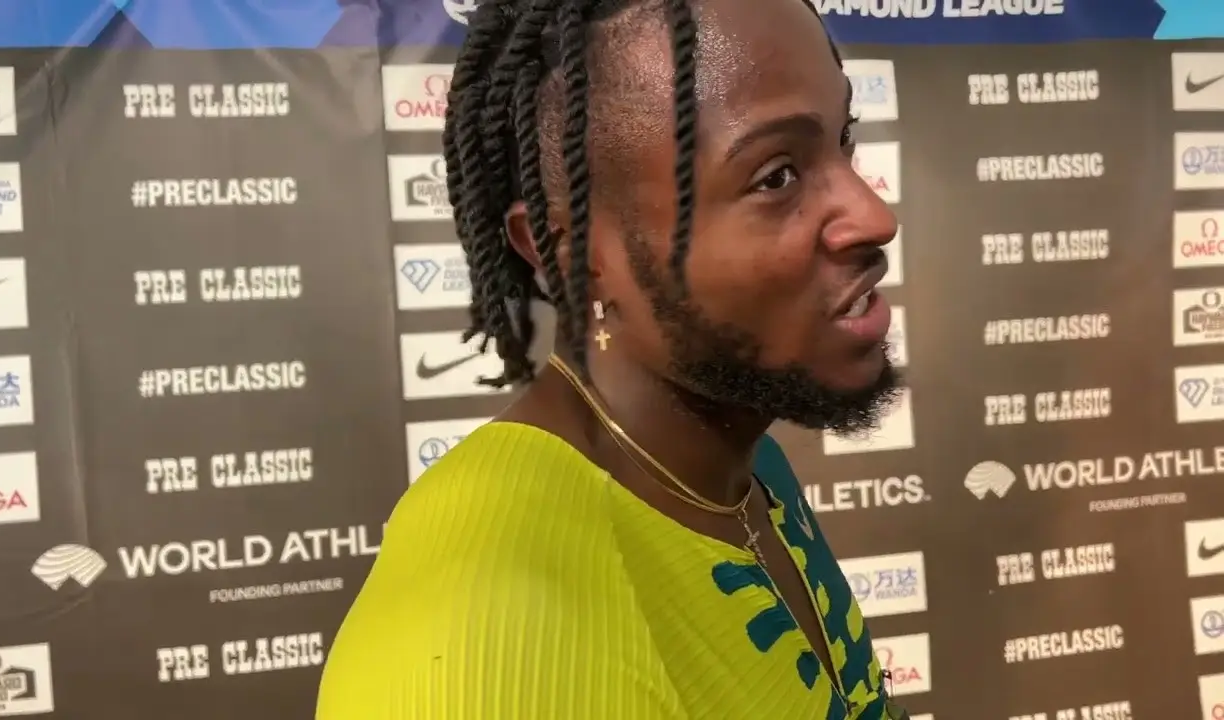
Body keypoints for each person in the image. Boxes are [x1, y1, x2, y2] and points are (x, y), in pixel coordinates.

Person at [317, 0, 905, 716]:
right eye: (776, 176)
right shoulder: (486, 641)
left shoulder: (734, 460)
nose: (875, 216)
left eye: (843, 140)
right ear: (573, 253)